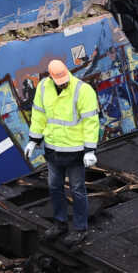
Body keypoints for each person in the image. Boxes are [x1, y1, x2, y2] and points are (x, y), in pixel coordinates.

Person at [25, 59, 99, 246]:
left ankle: (80, 228)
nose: (62, 83)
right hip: (53, 149)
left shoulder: (83, 90)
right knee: (54, 187)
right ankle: (60, 223)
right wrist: (34, 140)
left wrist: (90, 150)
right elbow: (39, 115)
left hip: (75, 152)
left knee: (77, 190)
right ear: (50, 76)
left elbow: (91, 122)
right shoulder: (43, 87)